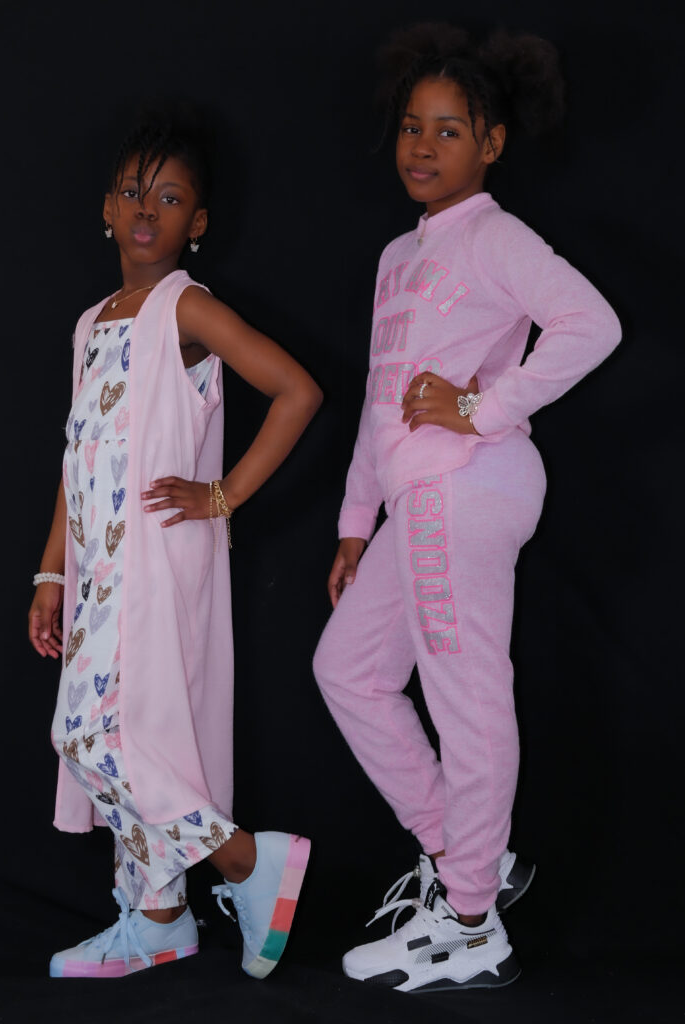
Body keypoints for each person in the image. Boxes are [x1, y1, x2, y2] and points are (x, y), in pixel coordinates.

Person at [313, 23, 621, 993]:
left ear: (490, 143)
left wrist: (483, 407)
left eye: (449, 131)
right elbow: (380, 396)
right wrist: (354, 523)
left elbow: (593, 323)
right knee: (348, 669)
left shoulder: (494, 236)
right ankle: (463, 858)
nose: (422, 146)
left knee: (466, 693)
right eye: (412, 126)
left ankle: (471, 921)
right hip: (415, 497)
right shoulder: (396, 256)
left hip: (467, 483)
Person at [28, 110, 321, 980]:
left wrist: (222, 495)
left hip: (154, 564)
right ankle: (159, 918)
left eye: (168, 197)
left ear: (197, 222)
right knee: (138, 736)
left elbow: (296, 391)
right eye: (132, 192)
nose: (145, 209)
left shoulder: (183, 307)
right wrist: (51, 570)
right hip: (99, 571)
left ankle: (245, 859)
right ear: (106, 209)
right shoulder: (91, 323)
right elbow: (77, 452)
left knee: (92, 736)